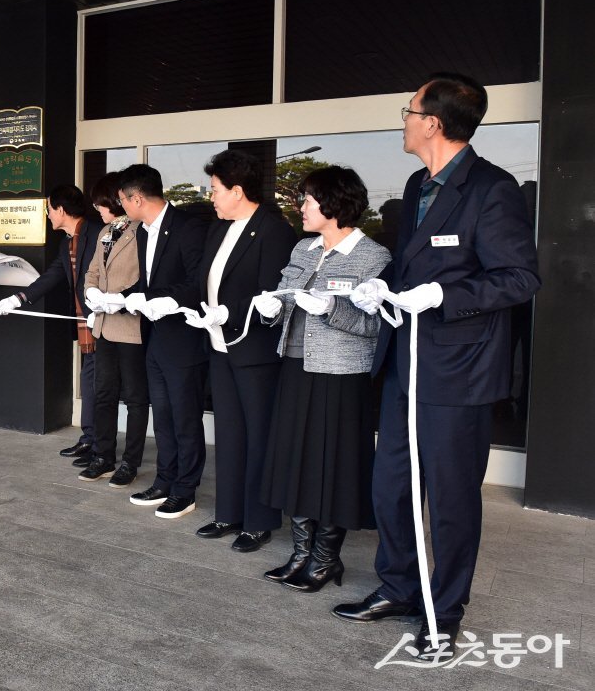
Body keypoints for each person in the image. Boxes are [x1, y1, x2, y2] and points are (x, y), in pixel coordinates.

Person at [336, 73, 540, 661]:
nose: (402, 120)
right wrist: (382, 289)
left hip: (459, 372)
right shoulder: (414, 184)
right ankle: (400, 587)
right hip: (406, 361)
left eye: (408, 111)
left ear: (433, 122)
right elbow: (413, 268)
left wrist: (445, 299)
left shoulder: (492, 189)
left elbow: (520, 278)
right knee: (391, 485)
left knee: (450, 499)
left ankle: (443, 611)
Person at [255, 166, 391, 591]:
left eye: (308, 199)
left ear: (333, 204)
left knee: (334, 464)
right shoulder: (303, 249)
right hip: (296, 367)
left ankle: (325, 559)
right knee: (295, 458)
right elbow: (284, 292)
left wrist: (329, 309)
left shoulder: (373, 257)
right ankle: (300, 553)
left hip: (341, 374)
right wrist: (271, 309)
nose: (302, 207)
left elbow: (376, 327)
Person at [190, 149, 297, 552]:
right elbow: (207, 281)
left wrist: (229, 312)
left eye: (215, 189)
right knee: (230, 433)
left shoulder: (273, 230)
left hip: (255, 351)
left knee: (258, 435)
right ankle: (228, 513)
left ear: (238, 190)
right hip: (220, 346)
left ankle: (259, 519)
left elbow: (272, 295)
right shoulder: (219, 228)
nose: (210, 196)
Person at [117, 164, 209, 519]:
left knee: (185, 418)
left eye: (124, 201)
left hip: (184, 339)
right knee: (164, 416)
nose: (123, 207)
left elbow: (197, 283)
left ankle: (185, 490)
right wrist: (120, 298)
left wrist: (159, 300)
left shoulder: (188, 227)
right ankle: (164, 481)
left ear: (137, 198)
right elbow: (148, 284)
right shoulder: (142, 232)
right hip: (155, 338)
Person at [0, 184, 102, 463]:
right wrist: (17, 299)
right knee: (90, 381)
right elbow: (52, 276)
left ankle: (101, 448)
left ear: (61, 210)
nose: (47, 215)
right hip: (87, 326)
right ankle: (91, 440)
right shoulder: (67, 242)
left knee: (100, 385)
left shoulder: (98, 234)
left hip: (105, 322)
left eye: (49, 209)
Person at [79, 173, 148, 487]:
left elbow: (146, 277)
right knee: (103, 394)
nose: (98, 209)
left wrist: (119, 299)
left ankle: (130, 462)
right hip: (105, 327)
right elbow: (92, 270)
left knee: (134, 398)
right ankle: (103, 456)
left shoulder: (142, 231)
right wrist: (92, 293)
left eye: (101, 203)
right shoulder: (105, 231)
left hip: (131, 327)